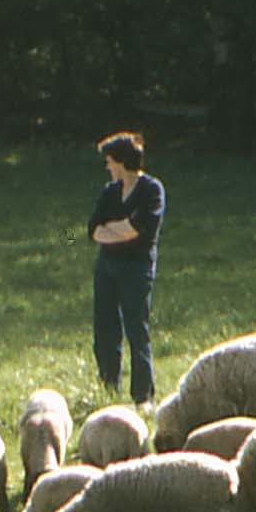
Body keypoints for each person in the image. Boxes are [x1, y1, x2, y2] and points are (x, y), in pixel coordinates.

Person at [85, 131, 164, 405]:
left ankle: (143, 396)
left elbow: (139, 229)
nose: (107, 167)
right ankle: (108, 389)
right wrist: (120, 229)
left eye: (109, 161)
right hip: (106, 268)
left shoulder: (152, 190)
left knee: (136, 330)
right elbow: (91, 229)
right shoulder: (109, 192)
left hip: (136, 270)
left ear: (120, 161)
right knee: (105, 330)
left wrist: (115, 228)